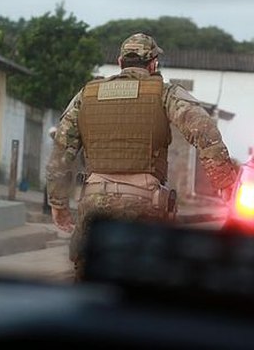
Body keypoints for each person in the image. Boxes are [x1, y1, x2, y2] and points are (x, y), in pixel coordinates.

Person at [45, 32, 238, 281]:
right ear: (154, 64)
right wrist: (226, 183)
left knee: (89, 288)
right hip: (146, 205)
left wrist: (58, 203)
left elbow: (61, 152)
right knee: (147, 291)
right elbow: (205, 131)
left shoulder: (87, 95)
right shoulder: (164, 93)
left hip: (94, 205)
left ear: (119, 62)